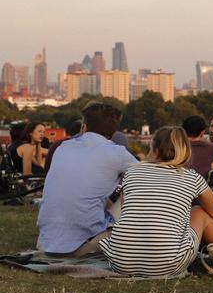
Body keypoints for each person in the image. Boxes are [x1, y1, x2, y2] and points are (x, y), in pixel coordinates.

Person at [100, 126, 213, 277]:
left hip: (121, 262)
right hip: (166, 265)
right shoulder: (192, 178)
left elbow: (126, 212)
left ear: (156, 150)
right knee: (199, 212)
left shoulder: (132, 172)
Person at [36, 103, 138, 256]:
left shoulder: (63, 148)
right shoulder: (117, 153)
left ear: (84, 126)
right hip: (82, 246)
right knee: (130, 189)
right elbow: (148, 178)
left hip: (45, 243)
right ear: (113, 131)